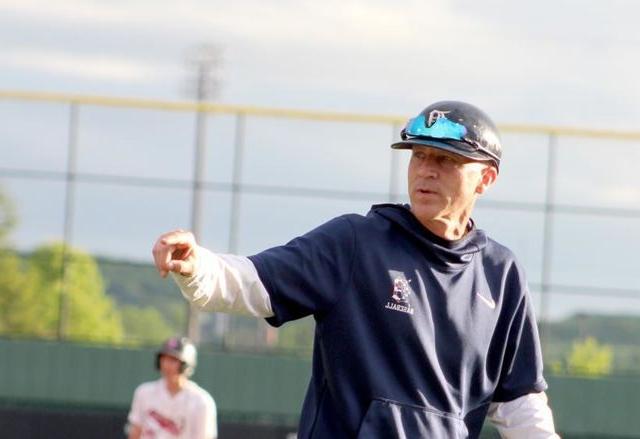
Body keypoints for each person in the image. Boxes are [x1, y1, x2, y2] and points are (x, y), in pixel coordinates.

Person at [152, 100, 559, 438]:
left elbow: (519, 400)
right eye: (418, 155)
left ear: (485, 178)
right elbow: (254, 283)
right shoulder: (355, 241)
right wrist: (197, 265)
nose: (426, 170)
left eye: (446, 160)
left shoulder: (501, 273)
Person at [127, 336, 217, 439]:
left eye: (173, 360)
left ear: (186, 365)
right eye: (163, 359)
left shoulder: (201, 401)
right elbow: (135, 432)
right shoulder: (144, 392)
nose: (166, 365)